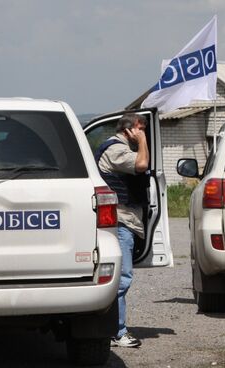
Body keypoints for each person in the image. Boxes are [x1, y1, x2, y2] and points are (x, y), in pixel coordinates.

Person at [94, 113, 149, 348]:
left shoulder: (122, 147)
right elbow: (142, 165)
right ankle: (116, 331)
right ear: (128, 130)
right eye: (140, 128)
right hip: (120, 221)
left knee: (120, 277)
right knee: (121, 279)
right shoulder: (116, 150)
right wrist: (143, 141)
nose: (142, 131)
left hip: (126, 220)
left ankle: (113, 329)